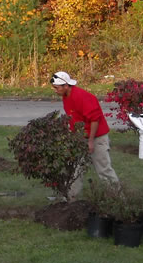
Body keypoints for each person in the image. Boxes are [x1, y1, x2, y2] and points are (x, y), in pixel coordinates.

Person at [50, 71, 119, 200]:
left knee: (104, 170)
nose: (55, 90)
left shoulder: (82, 97)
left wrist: (91, 141)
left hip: (97, 137)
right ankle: (70, 199)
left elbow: (95, 119)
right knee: (75, 170)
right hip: (81, 137)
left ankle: (117, 199)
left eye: (56, 88)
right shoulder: (66, 97)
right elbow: (74, 119)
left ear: (66, 86)